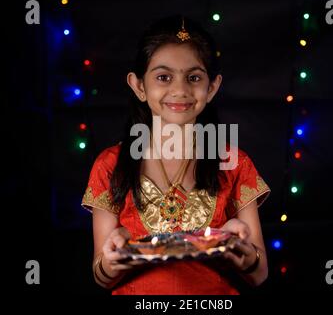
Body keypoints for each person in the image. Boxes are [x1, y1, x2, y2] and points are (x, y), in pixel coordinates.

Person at [81, 15, 271, 295]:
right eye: (163, 77)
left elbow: (260, 275)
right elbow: (100, 277)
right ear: (139, 86)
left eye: (194, 77)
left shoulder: (233, 161)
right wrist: (112, 260)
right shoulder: (110, 165)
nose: (180, 90)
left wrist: (244, 251)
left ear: (213, 87)